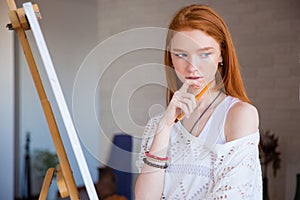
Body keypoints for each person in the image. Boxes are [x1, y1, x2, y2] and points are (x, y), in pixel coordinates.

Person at [135, 4, 262, 200]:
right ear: (170, 56)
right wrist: (164, 127)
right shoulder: (159, 125)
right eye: (181, 55)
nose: (192, 67)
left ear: (222, 54)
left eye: (204, 54)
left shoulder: (239, 116)